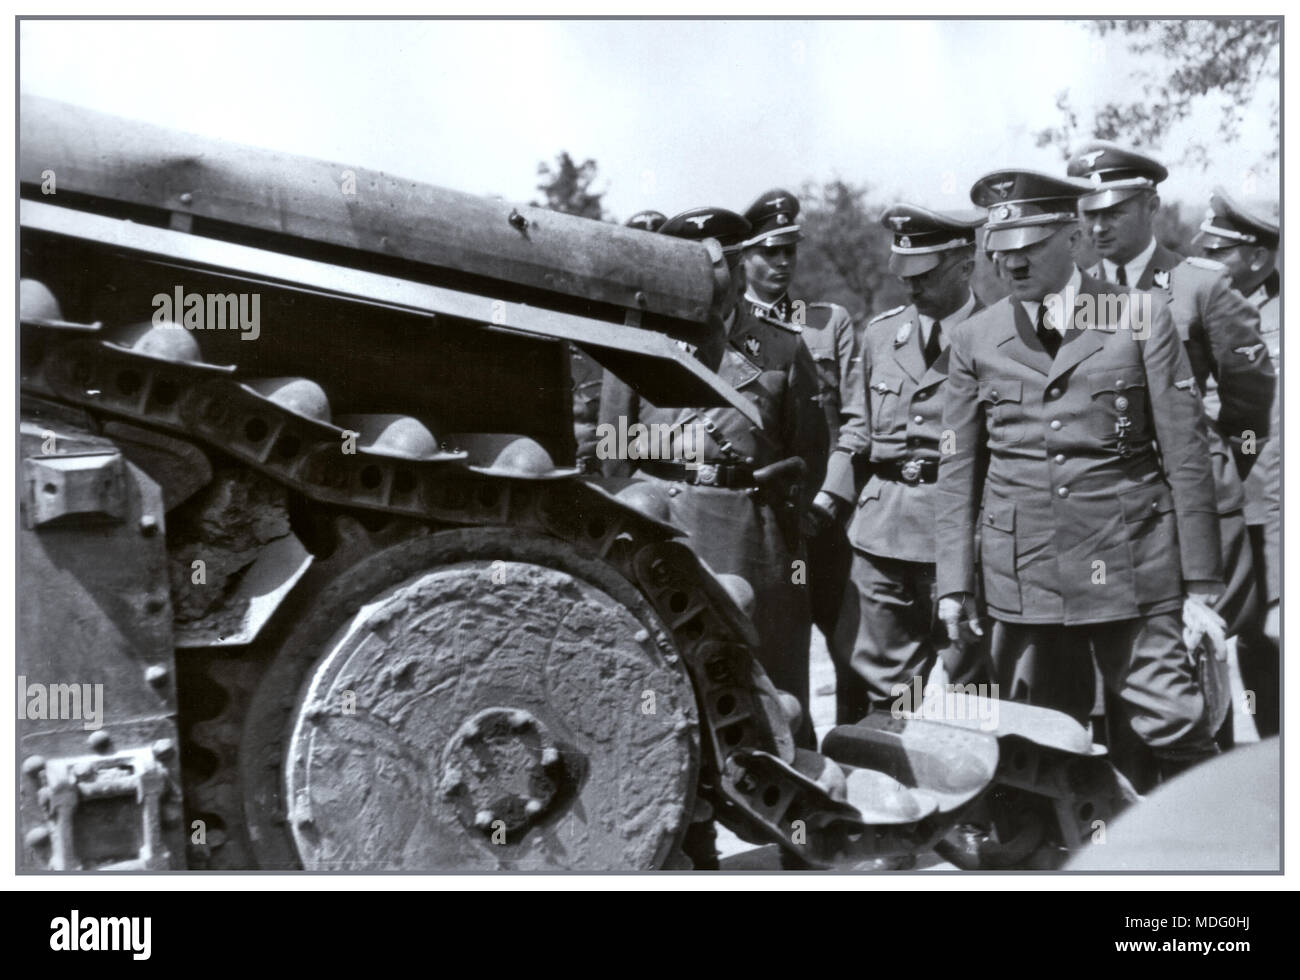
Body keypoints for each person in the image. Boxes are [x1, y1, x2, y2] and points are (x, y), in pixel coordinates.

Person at [936, 169, 1225, 789]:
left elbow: (1186, 455)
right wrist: (953, 585)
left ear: (1072, 236)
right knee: (1030, 734)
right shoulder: (974, 339)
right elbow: (958, 470)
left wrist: (1201, 585)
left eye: (1029, 248)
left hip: (1130, 561)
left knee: (1172, 720)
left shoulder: (1138, 316)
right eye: (1000, 252)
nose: (1012, 264)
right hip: (1025, 571)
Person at [597, 206, 829, 747]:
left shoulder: (780, 345)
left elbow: (811, 450)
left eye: (724, 263)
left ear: (739, 265)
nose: (714, 278)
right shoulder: (636, 343)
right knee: (669, 680)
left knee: (773, 684)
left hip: (752, 535)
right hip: (665, 530)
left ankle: (794, 812)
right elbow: (612, 448)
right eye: (703, 265)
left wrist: (772, 514)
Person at [1068, 142, 1274, 642]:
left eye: (1114, 212)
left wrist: (1211, 466)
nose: (1099, 227)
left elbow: (1251, 402)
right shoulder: (1073, 294)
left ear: (1152, 206)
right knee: (1113, 660)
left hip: (1190, 508)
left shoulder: (1199, 286)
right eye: (1090, 215)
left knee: (1194, 659)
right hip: (1107, 509)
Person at [833, 203, 988, 723]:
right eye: (904, 275)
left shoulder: (999, 335)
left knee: (967, 678)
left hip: (962, 532)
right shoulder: (881, 334)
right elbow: (856, 424)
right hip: (883, 531)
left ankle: (967, 796)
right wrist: (830, 496)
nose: (911, 289)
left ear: (966, 265)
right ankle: (896, 771)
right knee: (887, 680)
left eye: (924, 275)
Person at [741, 188, 868, 718]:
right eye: (770, 251)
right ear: (744, 257)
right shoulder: (730, 332)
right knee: (773, 660)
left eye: (789, 250)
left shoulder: (827, 322)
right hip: (764, 525)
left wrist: (831, 497)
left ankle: (861, 758)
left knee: (853, 652)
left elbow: (857, 419)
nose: (782, 262)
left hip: (824, 520)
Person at [1194, 186, 1281, 738]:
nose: (1208, 261)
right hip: (1219, 508)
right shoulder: (1202, 305)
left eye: (1220, 251)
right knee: (1219, 646)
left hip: (1274, 517)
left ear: (1258, 255)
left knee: (1273, 646)